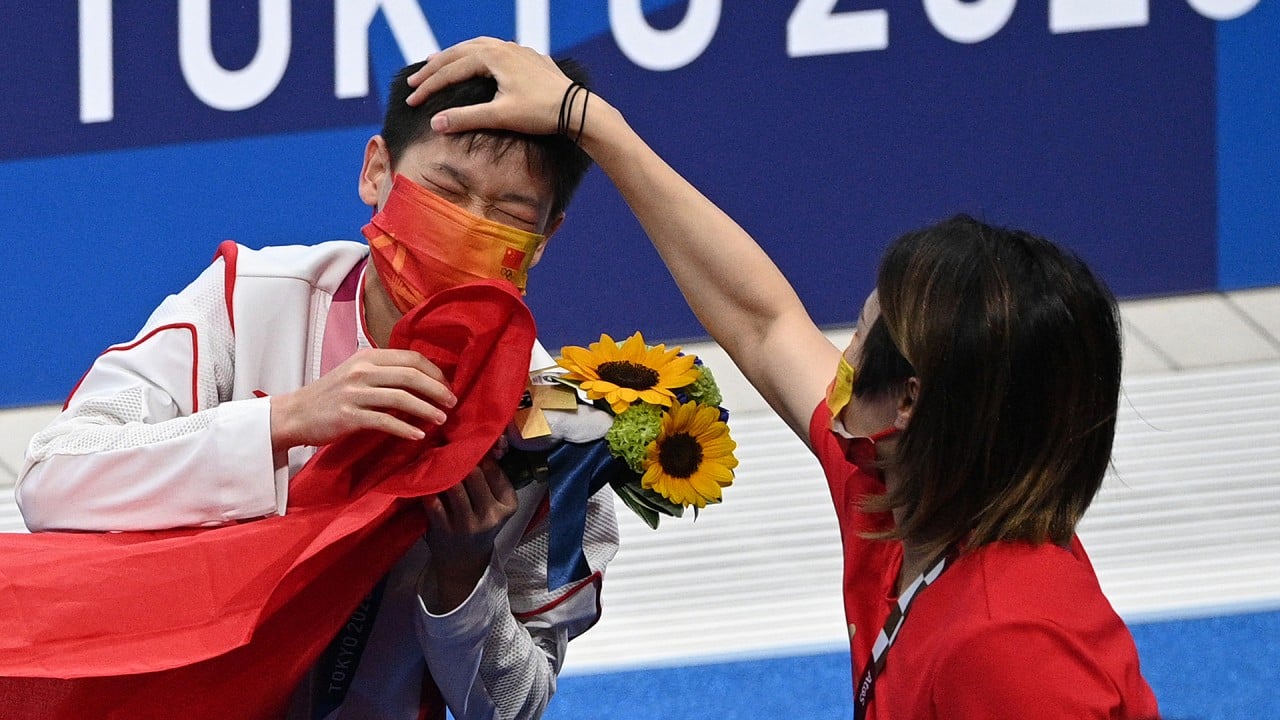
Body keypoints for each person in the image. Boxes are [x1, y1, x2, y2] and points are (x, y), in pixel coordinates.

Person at [404, 38, 1162, 719]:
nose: (837, 362)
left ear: (908, 403)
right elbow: (761, 321)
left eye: (860, 341)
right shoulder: (897, 495)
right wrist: (589, 122)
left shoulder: (1010, 645)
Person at [16, 58, 619, 720]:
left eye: (507, 212)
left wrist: (463, 577)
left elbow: (515, 706)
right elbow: (54, 480)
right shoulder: (248, 299)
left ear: (543, 238)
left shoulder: (557, 426)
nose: (467, 227)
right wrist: (283, 420)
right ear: (377, 171)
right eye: (446, 192)